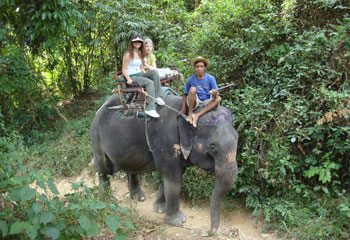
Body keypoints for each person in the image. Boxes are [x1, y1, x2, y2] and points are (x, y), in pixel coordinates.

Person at [122, 34, 165, 118]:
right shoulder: (128, 54)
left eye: (139, 42)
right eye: (136, 41)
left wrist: (146, 73)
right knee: (149, 83)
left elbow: (141, 67)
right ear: (132, 43)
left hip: (140, 74)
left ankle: (157, 96)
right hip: (132, 76)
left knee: (154, 72)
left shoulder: (139, 53)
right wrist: (128, 78)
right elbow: (124, 69)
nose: (137, 43)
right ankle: (150, 108)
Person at [180, 56, 221, 128]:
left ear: (205, 68)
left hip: (207, 100)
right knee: (192, 89)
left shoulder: (210, 78)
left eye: (201, 66)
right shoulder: (190, 79)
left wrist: (215, 93)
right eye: (197, 66)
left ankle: (197, 115)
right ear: (195, 68)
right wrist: (183, 109)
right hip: (196, 101)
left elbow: (217, 93)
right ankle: (190, 114)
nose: (199, 68)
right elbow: (185, 94)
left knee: (218, 98)